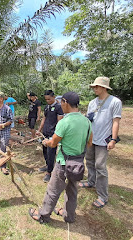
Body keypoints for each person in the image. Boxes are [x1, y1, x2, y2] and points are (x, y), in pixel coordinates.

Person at [28, 91, 92, 223]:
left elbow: (53, 143)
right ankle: (69, 216)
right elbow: (90, 143)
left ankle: (43, 216)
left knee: (53, 190)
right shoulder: (86, 121)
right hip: (78, 164)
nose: (60, 105)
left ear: (65, 103)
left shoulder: (64, 122)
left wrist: (46, 142)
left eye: (61, 102)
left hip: (63, 162)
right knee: (72, 191)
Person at [79, 76, 122, 209]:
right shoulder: (92, 103)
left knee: (100, 167)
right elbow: (88, 120)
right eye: (94, 87)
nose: (94, 89)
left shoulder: (115, 102)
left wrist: (113, 139)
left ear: (104, 87)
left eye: (96, 87)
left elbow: (116, 121)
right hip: (91, 138)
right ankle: (91, 181)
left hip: (104, 140)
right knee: (90, 161)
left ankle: (103, 195)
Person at [37, 90, 64, 183]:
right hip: (45, 133)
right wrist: (39, 130)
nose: (47, 101)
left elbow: (60, 122)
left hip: (53, 134)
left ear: (54, 97)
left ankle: (49, 172)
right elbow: (44, 119)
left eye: (49, 99)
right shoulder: (46, 107)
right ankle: (48, 165)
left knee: (51, 153)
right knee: (45, 151)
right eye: (46, 99)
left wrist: (55, 135)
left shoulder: (58, 107)